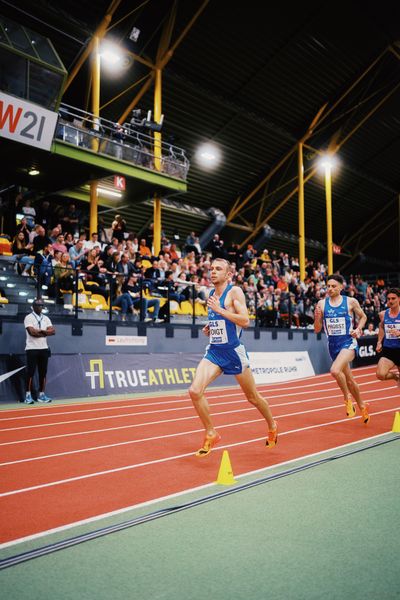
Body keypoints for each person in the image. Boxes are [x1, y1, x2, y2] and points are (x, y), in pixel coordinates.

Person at [188, 258, 277, 457]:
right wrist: (212, 326)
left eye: (218, 269)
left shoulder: (234, 292)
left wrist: (220, 310)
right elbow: (223, 321)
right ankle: (211, 433)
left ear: (228, 275)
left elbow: (245, 320)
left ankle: (272, 424)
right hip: (215, 351)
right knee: (195, 391)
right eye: (211, 269)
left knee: (252, 397)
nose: (213, 272)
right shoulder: (211, 293)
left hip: (234, 353)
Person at [314, 274, 370, 423]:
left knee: (334, 370)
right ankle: (363, 406)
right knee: (350, 380)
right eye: (328, 286)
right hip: (333, 345)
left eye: (333, 286)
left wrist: (358, 329)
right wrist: (317, 317)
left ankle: (347, 398)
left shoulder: (350, 301)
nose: (330, 289)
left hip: (348, 343)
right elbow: (317, 329)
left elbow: (363, 317)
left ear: (341, 287)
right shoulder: (322, 304)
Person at [24, 298, 55, 404]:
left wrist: (42, 331)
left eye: (41, 305)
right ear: (33, 306)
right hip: (32, 349)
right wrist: (45, 332)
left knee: (43, 373)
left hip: (44, 349)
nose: (40, 307)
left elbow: (53, 331)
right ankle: (28, 395)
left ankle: (41, 395)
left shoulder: (46, 318)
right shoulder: (28, 318)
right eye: (38, 305)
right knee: (30, 373)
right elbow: (32, 333)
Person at [376, 288, 400, 385]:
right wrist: (379, 342)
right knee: (380, 374)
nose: (390, 301)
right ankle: (396, 376)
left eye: (393, 298)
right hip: (389, 350)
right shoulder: (383, 314)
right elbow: (381, 326)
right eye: (389, 299)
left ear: (399, 299)